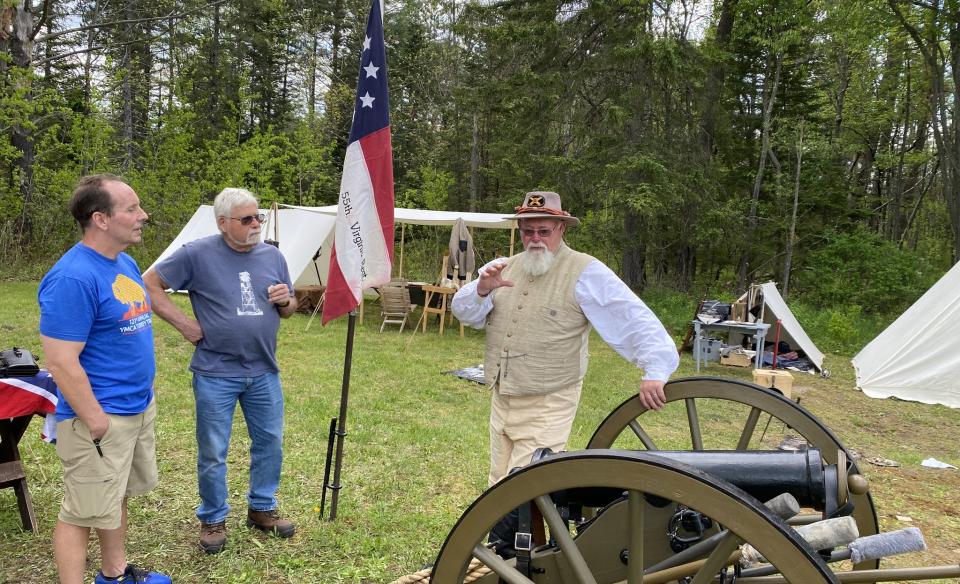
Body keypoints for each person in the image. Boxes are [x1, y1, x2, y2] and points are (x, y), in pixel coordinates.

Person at [451, 191, 680, 487]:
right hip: (503, 396)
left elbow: (629, 316)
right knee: (498, 481)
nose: (535, 238)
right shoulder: (503, 267)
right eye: (527, 231)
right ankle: (502, 535)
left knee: (525, 486)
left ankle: (518, 533)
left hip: (550, 400)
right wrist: (482, 289)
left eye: (544, 231)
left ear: (561, 228)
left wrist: (655, 369)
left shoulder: (586, 271)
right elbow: (465, 313)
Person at [143, 188, 298, 555]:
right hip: (215, 371)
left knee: (270, 442)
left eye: (258, 217)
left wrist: (286, 301)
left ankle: (261, 508)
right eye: (247, 219)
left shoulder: (273, 256)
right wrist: (185, 325)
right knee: (213, 449)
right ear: (223, 223)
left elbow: (289, 308)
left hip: (263, 370)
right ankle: (212, 517)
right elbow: (150, 284)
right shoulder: (198, 253)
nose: (256, 224)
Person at [39, 174, 170, 584]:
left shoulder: (124, 263)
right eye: (131, 208)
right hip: (99, 418)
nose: (142, 215)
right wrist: (95, 418)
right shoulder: (72, 278)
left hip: (135, 408)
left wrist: (144, 389)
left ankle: (114, 574)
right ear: (100, 218)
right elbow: (61, 361)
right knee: (80, 511)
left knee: (116, 498)